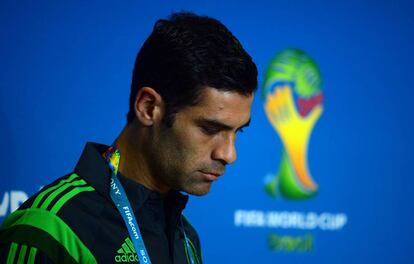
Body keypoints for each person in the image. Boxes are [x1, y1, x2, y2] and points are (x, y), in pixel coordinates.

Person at [0, 11, 257, 264]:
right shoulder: (49, 228)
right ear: (148, 107)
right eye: (210, 129)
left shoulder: (186, 239)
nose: (229, 154)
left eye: (238, 131)